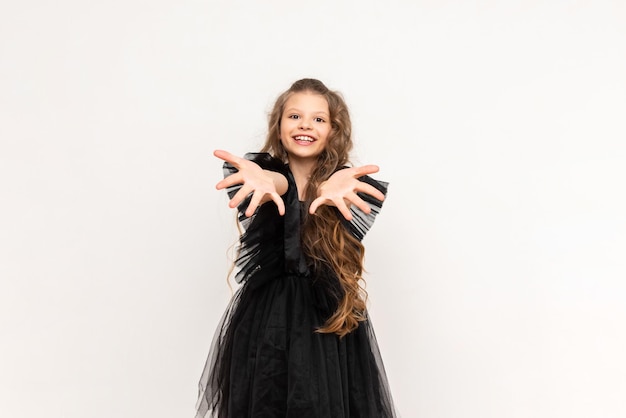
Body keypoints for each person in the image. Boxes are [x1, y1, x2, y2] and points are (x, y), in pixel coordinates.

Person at [196, 78, 396, 417]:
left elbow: (336, 200)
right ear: (278, 126)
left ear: (334, 130)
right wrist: (271, 179)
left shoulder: (346, 188)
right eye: (295, 116)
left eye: (319, 119)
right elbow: (278, 183)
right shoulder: (259, 179)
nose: (305, 124)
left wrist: (328, 188)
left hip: (329, 325)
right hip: (267, 324)